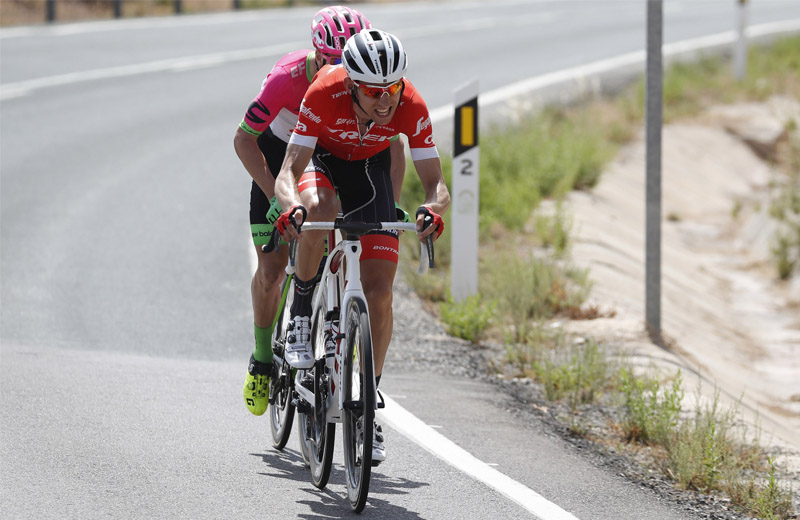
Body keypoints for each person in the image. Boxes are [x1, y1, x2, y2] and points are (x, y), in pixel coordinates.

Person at [273, 28, 450, 463]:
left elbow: (437, 183)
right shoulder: (323, 93)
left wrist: (432, 208)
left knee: (381, 291)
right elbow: (287, 171)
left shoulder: (411, 104)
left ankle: (368, 400)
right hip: (322, 164)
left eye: (392, 88)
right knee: (320, 206)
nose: (386, 100)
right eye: (374, 92)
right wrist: (292, 206)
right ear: (352, 84)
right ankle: (300, 310)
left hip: (370, 172)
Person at [236, 6, 407, 417]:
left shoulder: (360, 89)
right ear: (316, 55)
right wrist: (277, 197)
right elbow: (244, 141)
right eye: (332, 63)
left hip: (329, 154)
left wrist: (388, 216)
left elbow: (395, 146)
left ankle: (335, 326)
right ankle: (262, 357)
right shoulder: (286, 79)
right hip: (279, 155)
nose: (342, 73)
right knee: (274, 269)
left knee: (344, 231)